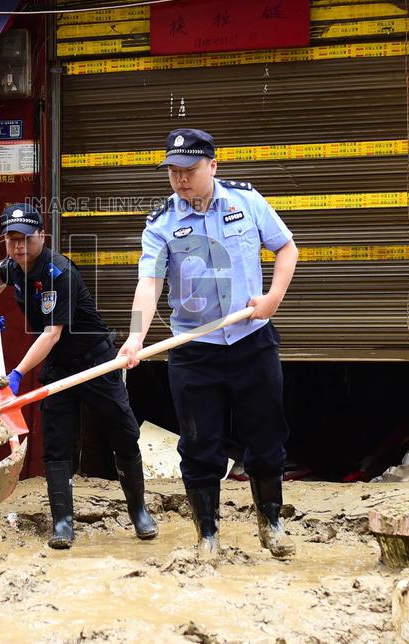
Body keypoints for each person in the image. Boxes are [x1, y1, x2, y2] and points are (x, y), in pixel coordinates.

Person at [117, 128, 299, 560]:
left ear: (212, 166)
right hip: (194, 351)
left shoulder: (246, 201)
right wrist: (135, 336)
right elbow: (150, 282)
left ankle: (271, 524)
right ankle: (208, 535)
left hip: (252, 342)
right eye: (173, 171)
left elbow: (286, 248)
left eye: (190, 170)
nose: (180, 179)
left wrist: (272, 299)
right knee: (200, 445)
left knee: (267, 438)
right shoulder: (161, 223)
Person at [0, 203, 158, 549]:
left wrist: (16, 374)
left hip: (95, 362)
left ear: (41, 236)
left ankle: (139, 511)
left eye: (26, 239)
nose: (19, 246)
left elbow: (51, 334)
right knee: (57, 442)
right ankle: (62, 522)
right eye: (12, 239)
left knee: (122, 432)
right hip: (58, 368)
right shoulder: (13, 266)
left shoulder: (59, 273)